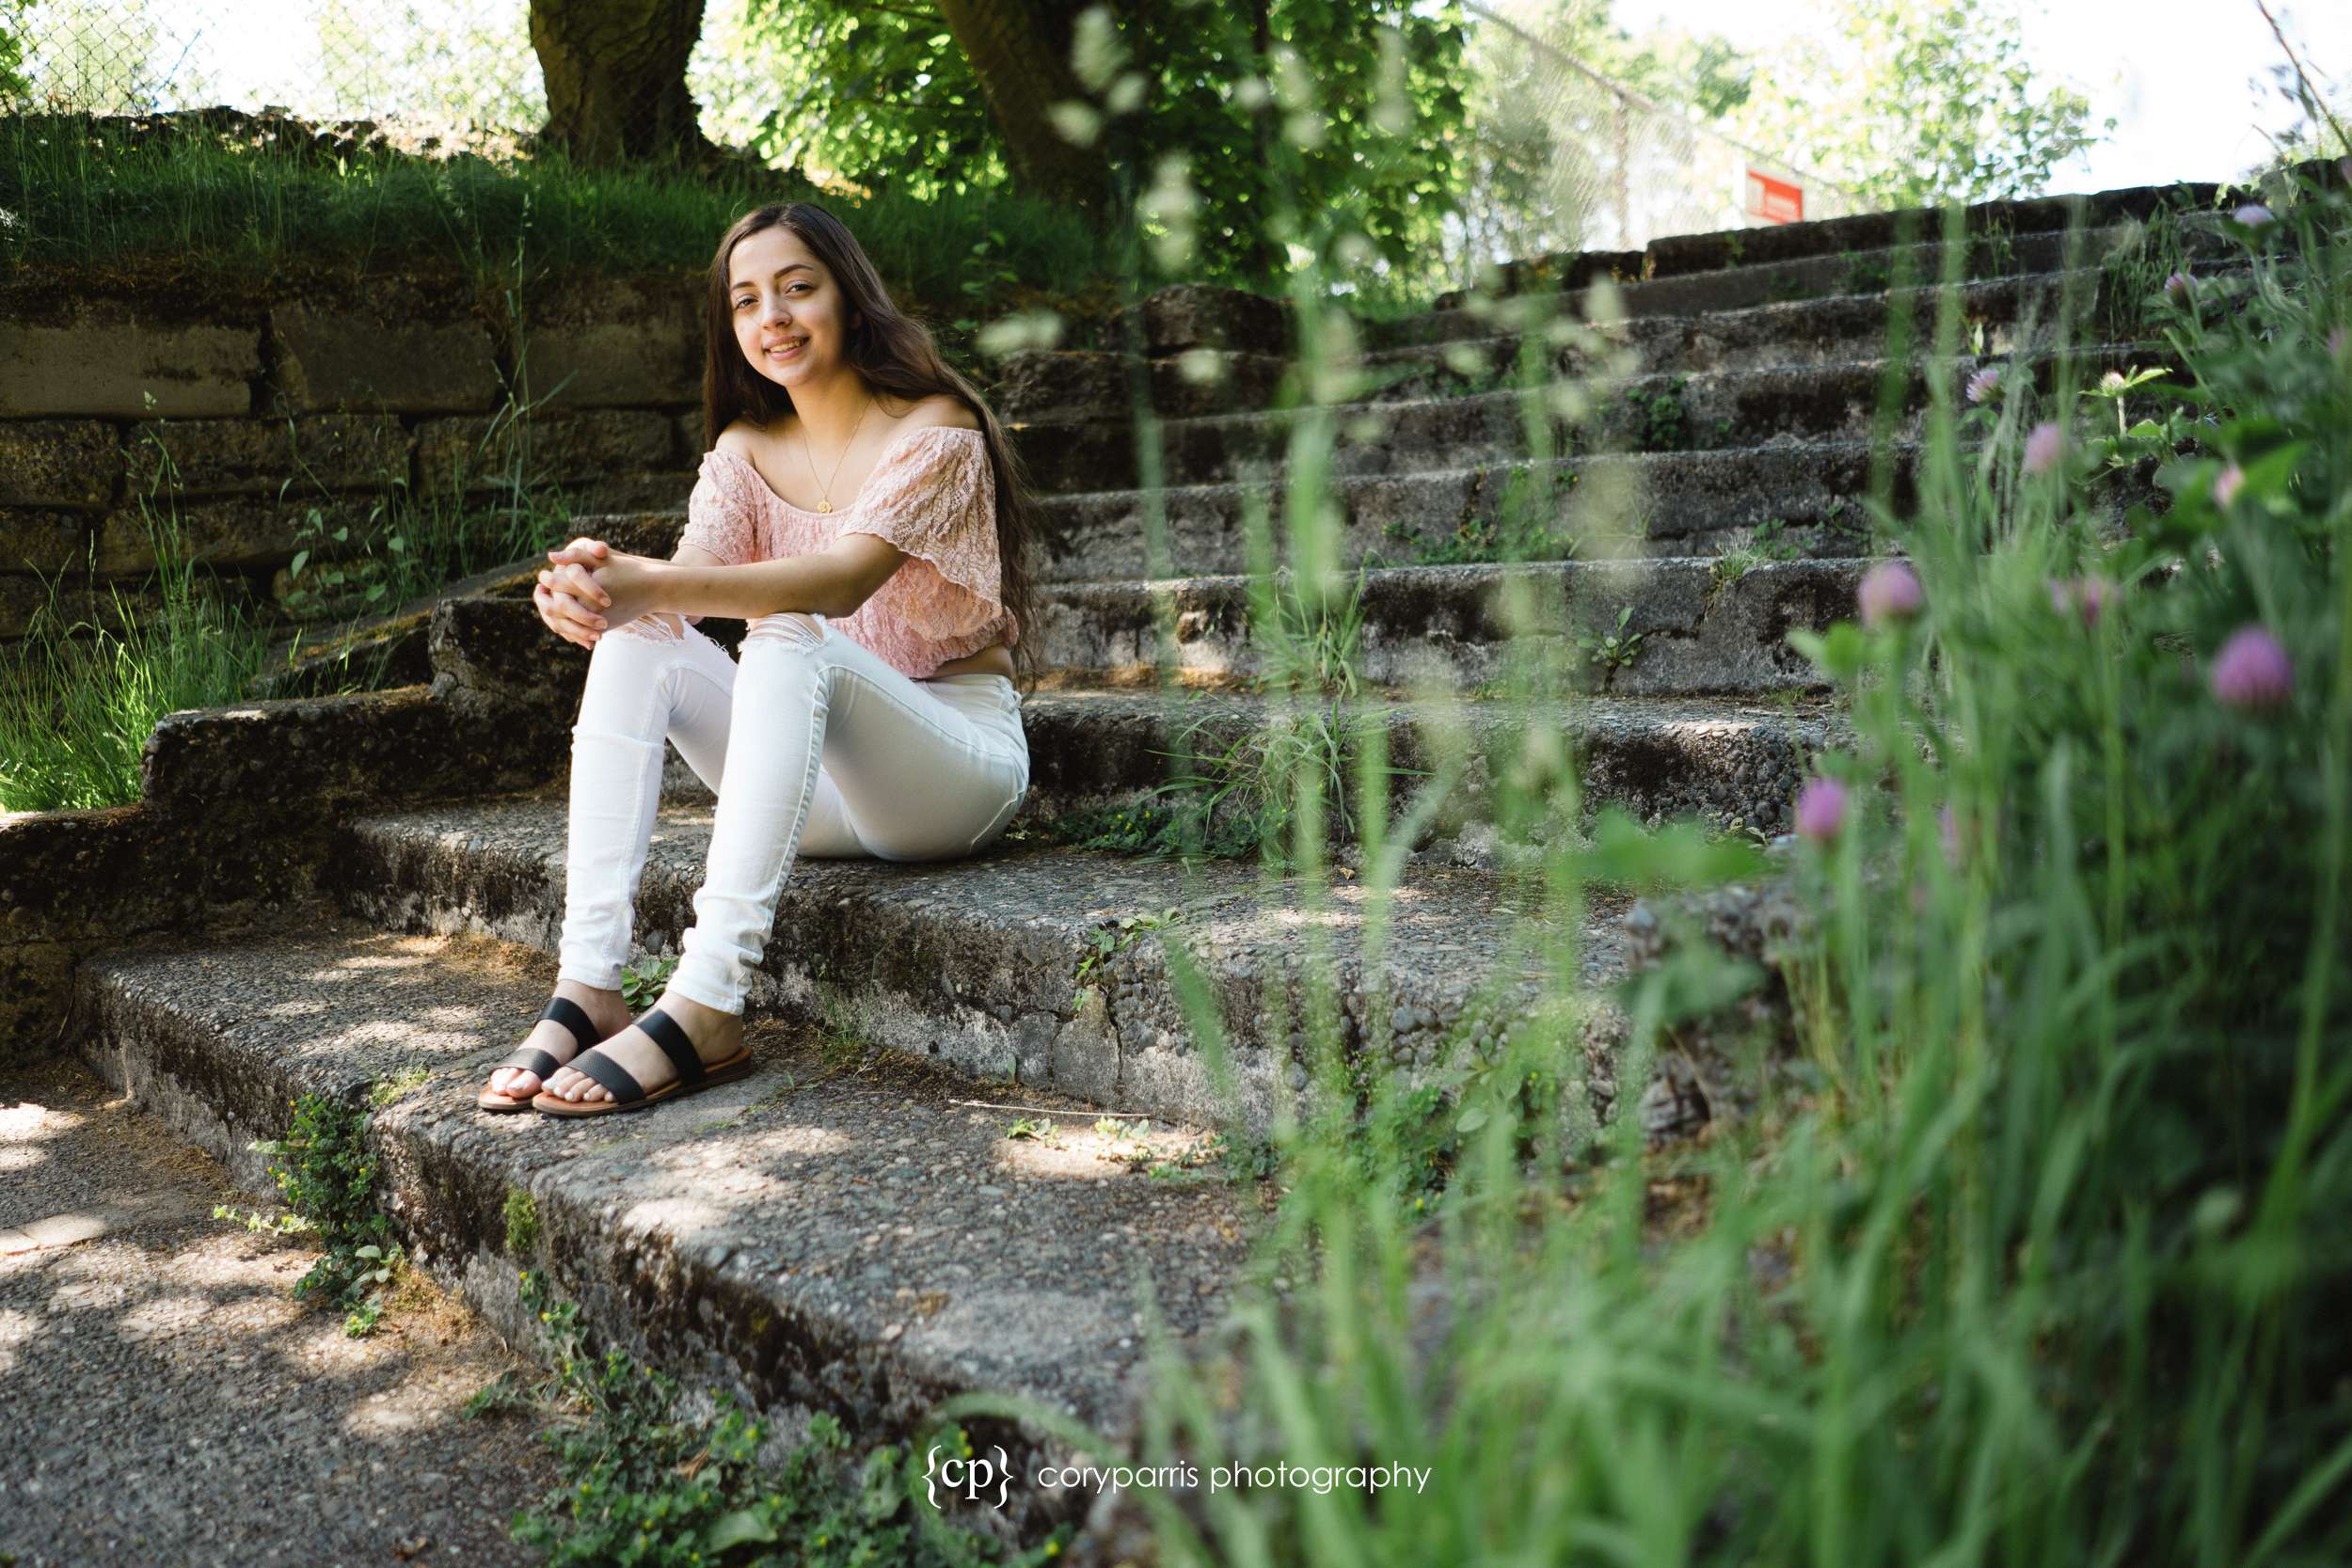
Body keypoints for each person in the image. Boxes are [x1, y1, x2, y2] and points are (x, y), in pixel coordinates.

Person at [476, 201, 1043, 1117]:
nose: (770, 317)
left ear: (851, 302)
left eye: (796, 289)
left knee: (786, 626)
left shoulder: (935, 427)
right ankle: (588, 984)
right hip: (811, 789)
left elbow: (841, 579)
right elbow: (688, 589)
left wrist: (648, 583)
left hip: (947, 775)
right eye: (745, 301)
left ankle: (706, 1002)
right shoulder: (745, 450)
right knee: (639, 637)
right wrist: (595, 592)